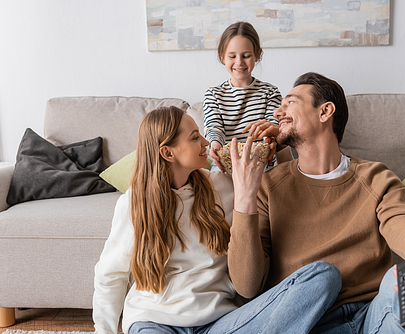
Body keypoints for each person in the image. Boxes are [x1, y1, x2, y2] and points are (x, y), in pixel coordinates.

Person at [227, 72, 405, 333]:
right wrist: (244, 197)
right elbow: (247, 286)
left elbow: (401, 220)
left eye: (290, 102)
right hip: (307, 323)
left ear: (325, 111)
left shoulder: (375, 177)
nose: (278, 112)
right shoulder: (267, 185)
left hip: (373, 317)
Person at [93, 106, 341, 334]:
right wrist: (104, 331)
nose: (205, 142)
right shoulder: (133, 203)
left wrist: (280, 145)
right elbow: (110, 275)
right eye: (194, 138)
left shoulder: (222, 185)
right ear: (167, 152)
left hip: (220, 324)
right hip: (155, 322)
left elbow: (282, 191)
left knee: (322, 276)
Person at [204, 21, 282, 172]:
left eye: (246, 55)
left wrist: (271, 139)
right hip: (226, 165)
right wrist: (214, 143)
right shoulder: (213, 94)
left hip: (260, 164)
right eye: (232, 56)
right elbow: (214, 127)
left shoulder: (270, 92)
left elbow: (273, 126)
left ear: (258, 54)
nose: (239, 62)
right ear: (222, 57)